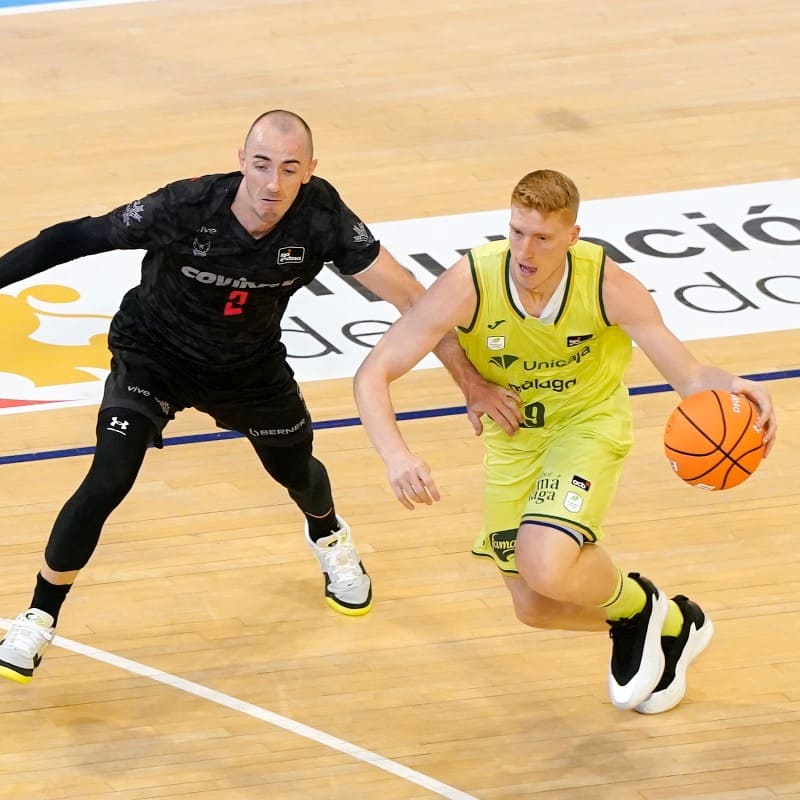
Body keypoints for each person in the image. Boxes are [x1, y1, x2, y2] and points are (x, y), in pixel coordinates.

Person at [0, 110, 509, 685]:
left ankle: (328, 532)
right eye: (262, 165)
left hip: (248, 369)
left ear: (309, 171)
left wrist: (471, 382)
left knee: (296, 471)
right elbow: (74, 236)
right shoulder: (188, 205)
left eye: (289, 169)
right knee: (109, 477)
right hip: (154, 356)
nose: (273, 183)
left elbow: (414, 298)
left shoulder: (321, 216)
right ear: (241, 160)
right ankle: (38, 616)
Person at [353, 169, 777, 714]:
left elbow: (688, 374)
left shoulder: (607, 285)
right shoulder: (471, 283)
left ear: (572, 237)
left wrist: (730, 383)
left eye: (542, 238)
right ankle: (668, 621)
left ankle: (637, 613)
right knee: (534, 606)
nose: (525, 251)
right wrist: (395, 454)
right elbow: (373, 373)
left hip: (586, 425)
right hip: (514, 441)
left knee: (546, 562)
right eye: (517, 232)